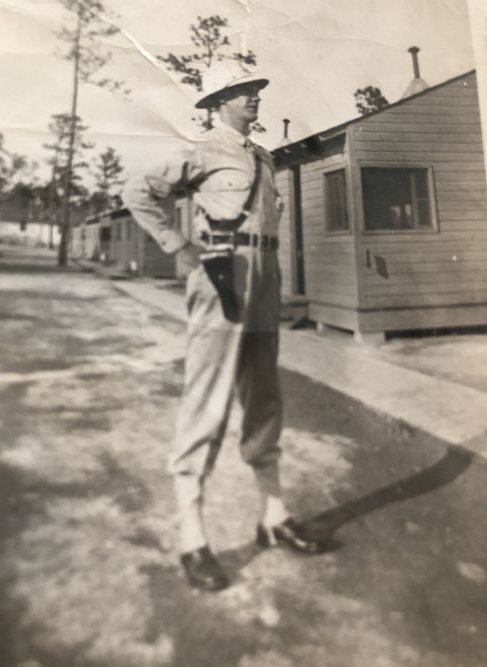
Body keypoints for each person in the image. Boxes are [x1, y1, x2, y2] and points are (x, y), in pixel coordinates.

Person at [123, 61, 324, 592]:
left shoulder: (264, 157)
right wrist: (177, 246)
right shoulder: (203, 150)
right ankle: (192, 537)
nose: (253, 97)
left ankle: (273, 517)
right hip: (221, 273)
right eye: (241, 91)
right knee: (208, 400)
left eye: (255, 89)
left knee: (265, 395)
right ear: (217, 103)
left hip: (264, 276)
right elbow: (137, 192)